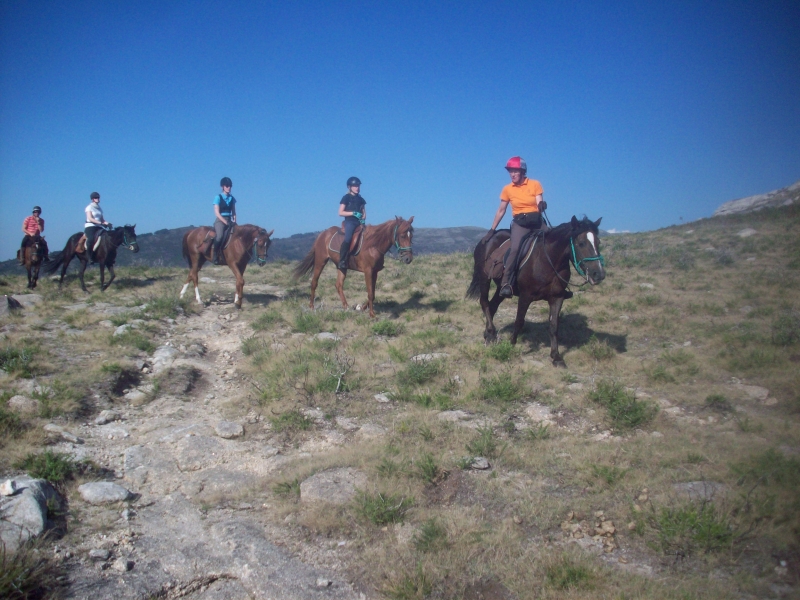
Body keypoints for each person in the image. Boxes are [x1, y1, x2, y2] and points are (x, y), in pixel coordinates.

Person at [483, 156, 547, 298]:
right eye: (510, 171)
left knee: (554, 242)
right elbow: (501, 210)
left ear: (523, 171)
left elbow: (539, 201)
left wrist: (541, 205)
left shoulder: (535, 184)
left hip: (536, 221)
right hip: (520, 223)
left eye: (515, 171)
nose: (512, 174)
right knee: (516, 248)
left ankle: (560, 283)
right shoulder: (507, 189)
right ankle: (506, 283)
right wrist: (492, 229)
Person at [337, 176, 366, 271]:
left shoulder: (361, 199)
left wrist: (362, 218)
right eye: (355, 186)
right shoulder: (346, 198)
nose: (357, 187)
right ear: (349, 187)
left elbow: (364, 213)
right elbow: (340, 212)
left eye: (358, 185)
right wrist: (353, 213)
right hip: (350, 222)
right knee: (348, 238)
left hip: (359, 223)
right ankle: (342, 261)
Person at [213, 177, 237, 265]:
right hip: (220, 220)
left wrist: (234, 221)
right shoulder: (218, 197)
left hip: (230, 220)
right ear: (222, 187)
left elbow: (234, 212)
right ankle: (215, 255)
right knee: (219, 236)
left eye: (230, 186)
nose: (229, 188)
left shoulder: (232, 198)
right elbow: (217, 213)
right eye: (227, 186)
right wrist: (225, 222)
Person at [85, 192, 110, 263]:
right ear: (93, 199)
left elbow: (102, 219)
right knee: (90, 239)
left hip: (99, 226)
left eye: (98, 197)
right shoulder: (89, 207)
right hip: (90, 226)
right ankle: (89, 256)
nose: (98, 199)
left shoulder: (99, 208)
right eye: (96, 198)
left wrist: (108, 223)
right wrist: (101, 223)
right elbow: (90, 218)